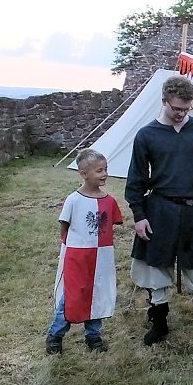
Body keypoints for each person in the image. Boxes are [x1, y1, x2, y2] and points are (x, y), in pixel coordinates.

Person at [125, 75, 193, 345]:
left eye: (186, 109)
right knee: (156, 266)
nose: (181, 114)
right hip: (159, 207)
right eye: (176, 108)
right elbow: (136, 179)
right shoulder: (147, 135)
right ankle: (159, 322)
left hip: (191, 209)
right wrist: (139, 216)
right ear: (164, 101)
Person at [46, 149, 123, 354]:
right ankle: (56, 335)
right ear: (84, 173)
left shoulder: (109, 200)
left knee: (97, 293)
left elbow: (110, 227)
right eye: (99, 170)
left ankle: (93, 335)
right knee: (73, 295)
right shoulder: (74, 199)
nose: (104, 174)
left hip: (102, 257)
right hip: (78, 256)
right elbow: (65, 227)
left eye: (105, 169)